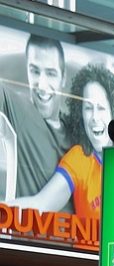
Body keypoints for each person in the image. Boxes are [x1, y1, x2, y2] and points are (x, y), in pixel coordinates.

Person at [16, 63, 114, 217]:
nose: (95, 117)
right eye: (88, 108)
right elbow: (41, 204)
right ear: (80, 114)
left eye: (101, 108)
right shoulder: (80, 159)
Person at [0, 35, 69, 204]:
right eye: (35, 71)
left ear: (63, 77)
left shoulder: (77, 128)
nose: (42, 85)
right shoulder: (16, 107)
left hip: (80, 229)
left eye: (51, 73)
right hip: (25, 227)